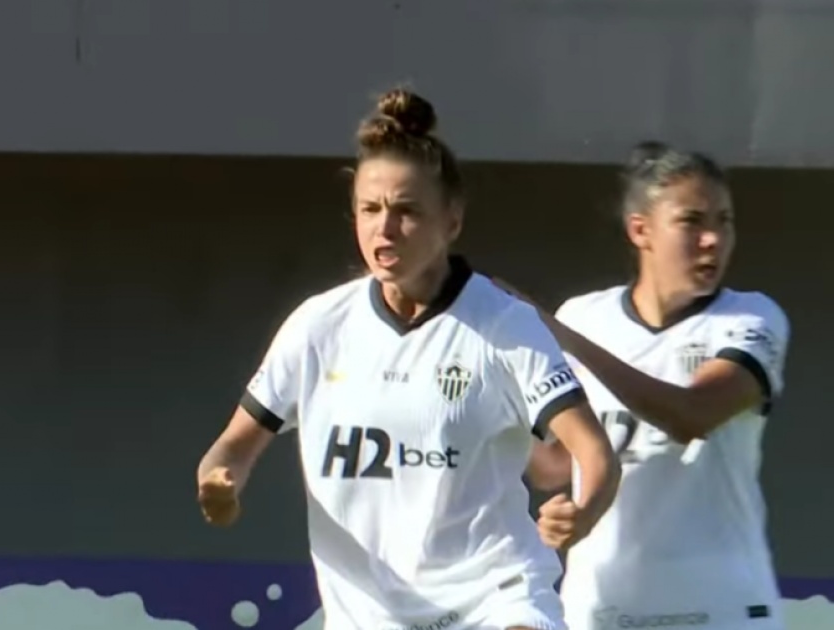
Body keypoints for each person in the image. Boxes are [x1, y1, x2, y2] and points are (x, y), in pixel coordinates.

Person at [195, 88, 620, 630]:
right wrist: (220, 483)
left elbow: (595, 455)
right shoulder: (318, 326)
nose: (385, 228)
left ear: (452, 220)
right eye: (370, 210)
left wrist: (581, 513)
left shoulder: (505, 325)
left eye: (407, 211)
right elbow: (232, 448)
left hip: (496, 603)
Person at [521, 142, 791, 630]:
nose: (713, 239)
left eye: (724, 221)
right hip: (600, 610)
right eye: (692, 221)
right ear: (640, 229)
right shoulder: (583, 316)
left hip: (721, 613)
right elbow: (554, 465)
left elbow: (692, 415)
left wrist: (562, 337)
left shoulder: (753, 317)